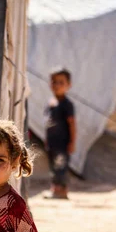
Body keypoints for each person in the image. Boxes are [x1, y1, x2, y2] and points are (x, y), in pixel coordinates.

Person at [44, 67, 77, 200]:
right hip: (52, 143)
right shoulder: (51, 103)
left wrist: (72, 142)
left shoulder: (67, 104)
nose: (57, 85)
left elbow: (72, 124)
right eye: (54, 82)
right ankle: (54, 189)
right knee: (53, 167)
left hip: (63, 143)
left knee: (61, 166)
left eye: (61, 82)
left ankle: (61, 191)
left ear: (69, 85)